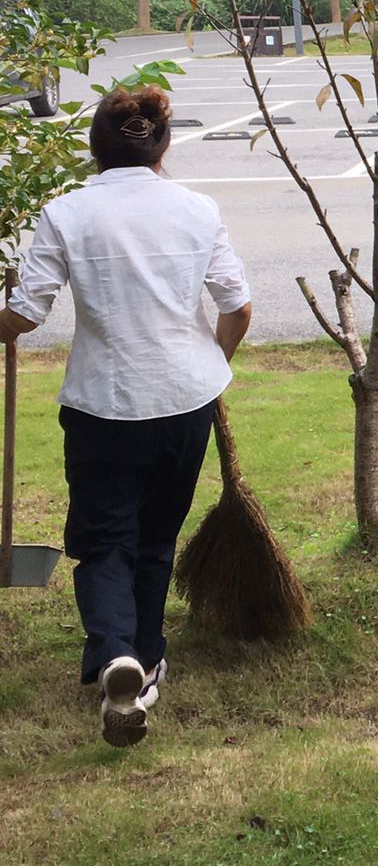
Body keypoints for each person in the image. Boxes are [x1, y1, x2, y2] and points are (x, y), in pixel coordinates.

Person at [0, 86, 252, 748]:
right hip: (184, 404)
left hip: (105, 407)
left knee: (105, 538)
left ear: (95, 148)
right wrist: (210, 366)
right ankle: (139, 670)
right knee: (155, 538)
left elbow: (24, 317)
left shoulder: (67, 213)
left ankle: (118, 653)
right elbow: (238, 305)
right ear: (163, 145)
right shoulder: (199, 210)